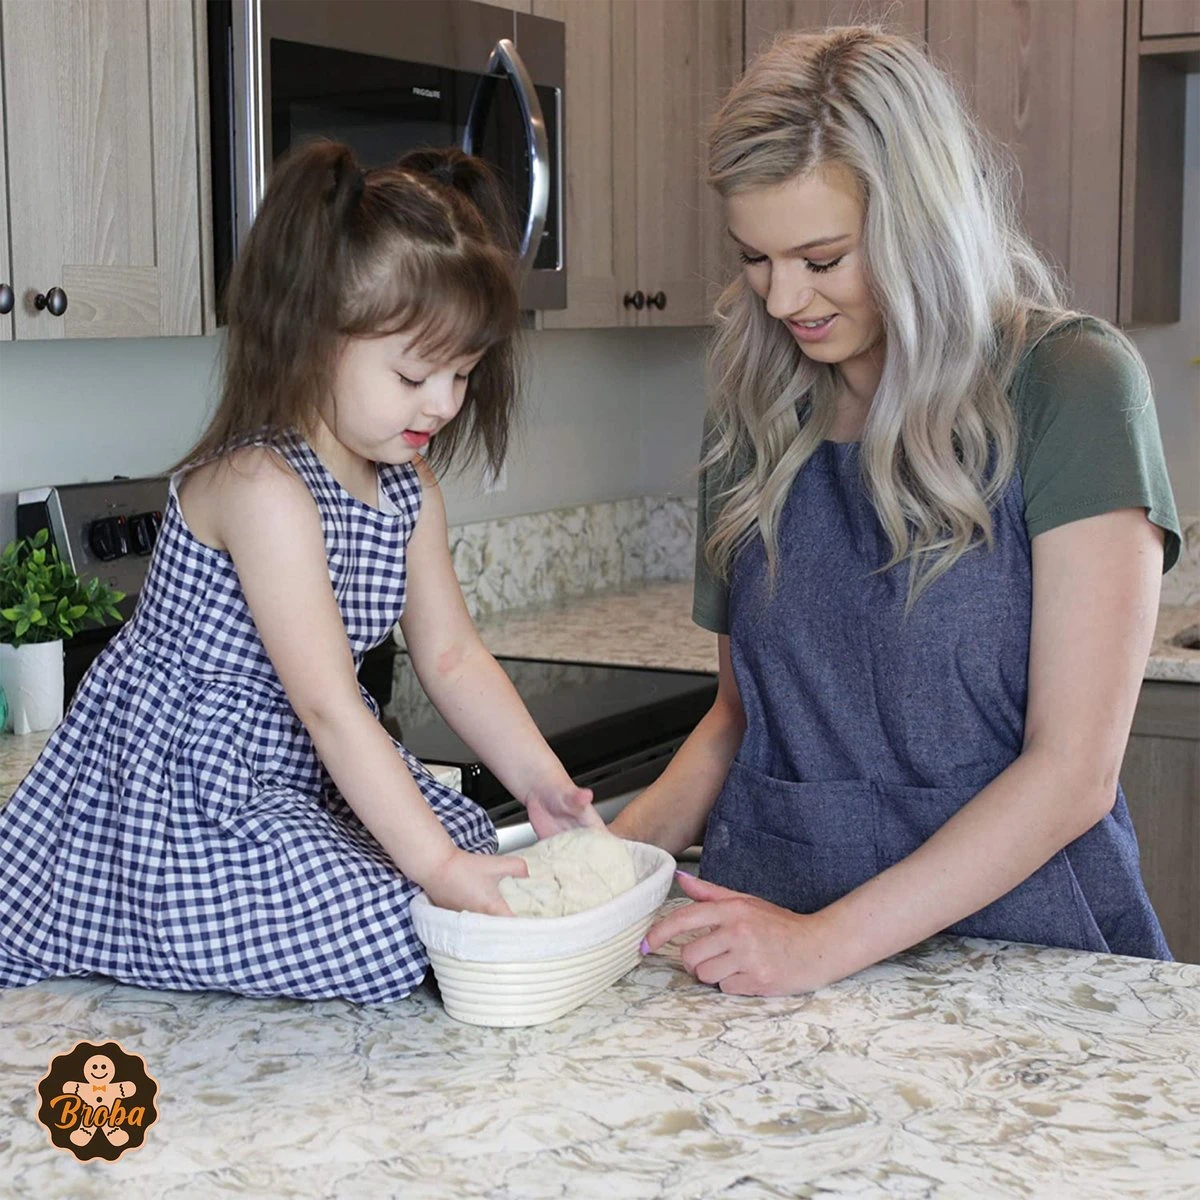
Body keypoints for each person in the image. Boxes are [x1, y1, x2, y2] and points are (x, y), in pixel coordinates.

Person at [615, 27, 1181, 995]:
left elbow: (1074, 770)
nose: (785, 296)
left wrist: (821, 945)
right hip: (775, 958)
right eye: (756, 258)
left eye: (823, 257)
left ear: (919, 224)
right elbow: (739, 717)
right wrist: (585, 882)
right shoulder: (754, 409)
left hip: (1031, 969)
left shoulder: (1071, 385)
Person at [0, 140, 599, 1003]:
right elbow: (324, 706)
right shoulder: (262, 487)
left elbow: (454, 658)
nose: (443, 403)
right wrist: (431, 870)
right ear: (316, 339)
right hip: (178, 807)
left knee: (472, 862)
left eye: (462, 374)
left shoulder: (407, 490)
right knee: (405, 930)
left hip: (291, 783)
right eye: (414, 373)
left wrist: (543, 786)